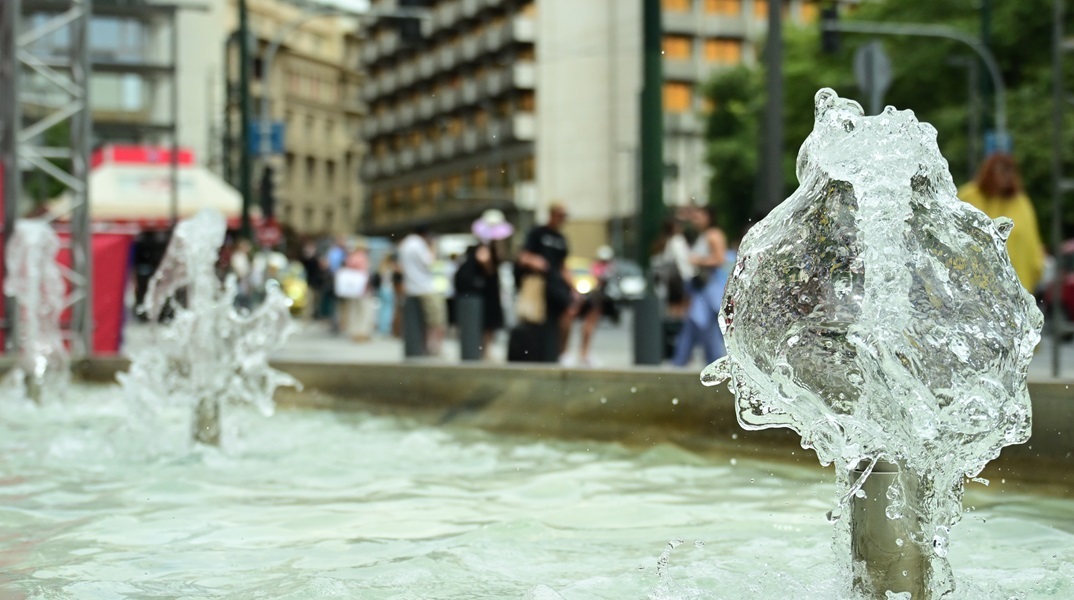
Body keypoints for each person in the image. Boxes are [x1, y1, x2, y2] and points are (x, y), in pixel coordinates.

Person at [958, 153, 1045, 294]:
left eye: (1010, 171)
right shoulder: (970, 196)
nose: (1006, 176)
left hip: (1016, 284)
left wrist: (1037, 266)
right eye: (1002, 171)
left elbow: (1031, 241)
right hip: (976, 285)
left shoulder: (1020, 202)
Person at [514, 202, 574, 363]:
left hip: (556, 282)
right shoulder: (537, 233)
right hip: (539, 283)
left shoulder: (561, 239)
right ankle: (538, 354)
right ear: (552, 214)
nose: (562, 219)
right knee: (536, 321)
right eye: (560, 215)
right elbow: (523, 256)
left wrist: (573, 286)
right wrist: (535, 261)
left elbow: (563, 266)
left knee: (569, 310)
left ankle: (562, 352)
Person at [672, 206, 731, 367]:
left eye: (699, 216)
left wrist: (698, 260)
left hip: (709, 288)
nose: (695, 220)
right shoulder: (703, 235)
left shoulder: (713, 235)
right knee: (696, 324)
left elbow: (720, 259)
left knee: (703, 325)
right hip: (701, 288)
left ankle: (695, 361)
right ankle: (685, 360)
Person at [398, 224, 445, 356]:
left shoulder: (404, 244)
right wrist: (433, 247)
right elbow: (430, 263)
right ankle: (434, 349)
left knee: (418, 323)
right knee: (436, 321)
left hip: (411, 288)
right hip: (425, 288)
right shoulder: (418, 244)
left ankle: (421, 348)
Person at [454, 243, 506, 360]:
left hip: (490, 297)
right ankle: (480, 352)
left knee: (489, 327)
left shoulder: (492, 259)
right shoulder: (471, 263)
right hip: (478, 299)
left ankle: (486, 351)